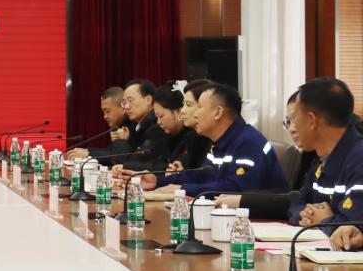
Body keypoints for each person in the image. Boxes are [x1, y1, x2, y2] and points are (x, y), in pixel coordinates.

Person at [136, 83, 286, 197]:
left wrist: (182, 189)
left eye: (200, 107)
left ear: (218, 112)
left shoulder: (248, 142)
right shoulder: (219, 142)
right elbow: (202, 175)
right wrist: (158, 181)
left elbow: (236, 189)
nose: (195, 114)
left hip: (264, 222)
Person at [287, 78, 363, 234]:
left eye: (294, 119)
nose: (293, 127)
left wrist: (323, 222)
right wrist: (306, 215)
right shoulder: (321, 160)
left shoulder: (359, 159)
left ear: (312, 120)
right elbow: (297, 202)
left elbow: (353, 226)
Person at [110, 79, 169, 170]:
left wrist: (121, 141)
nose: (126, 107)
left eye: (130, 100)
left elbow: (128, 163)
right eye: (124, 103)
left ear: (148, 100)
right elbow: (111, 155)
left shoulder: (156, 127)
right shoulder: (133, 125)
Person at [67, 87, 130, 160]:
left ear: (123, 108)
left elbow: (119, 158)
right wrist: (87, 151)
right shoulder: (118, 126)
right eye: (104, 112)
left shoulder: (132, 126)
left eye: (108, 111)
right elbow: (110, 152)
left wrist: (88, 154)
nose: (105, 116)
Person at [151, 82, 204, 170]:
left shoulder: (199, 138)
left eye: (188, 105)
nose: (183, 110)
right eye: (183, 104)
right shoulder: (165, 134)